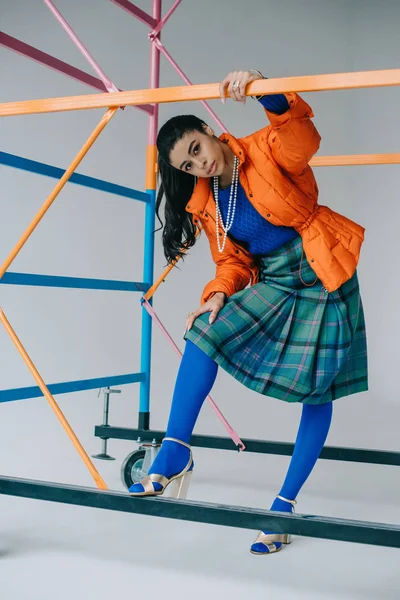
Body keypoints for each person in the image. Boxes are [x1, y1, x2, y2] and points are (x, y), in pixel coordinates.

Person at [129, 69, 368, 555]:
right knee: (204, 331)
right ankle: (176, 450)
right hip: (278, 281)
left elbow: (303, 137)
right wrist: (218, 292)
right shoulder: (208, 201)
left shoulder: (265, 149)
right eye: (186, 165)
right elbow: (232, 261)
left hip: (322, 271)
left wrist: (270, 92)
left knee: (318, 391)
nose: (197, 164)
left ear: (210, 132)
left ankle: (282, 508)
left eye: (196, 149)